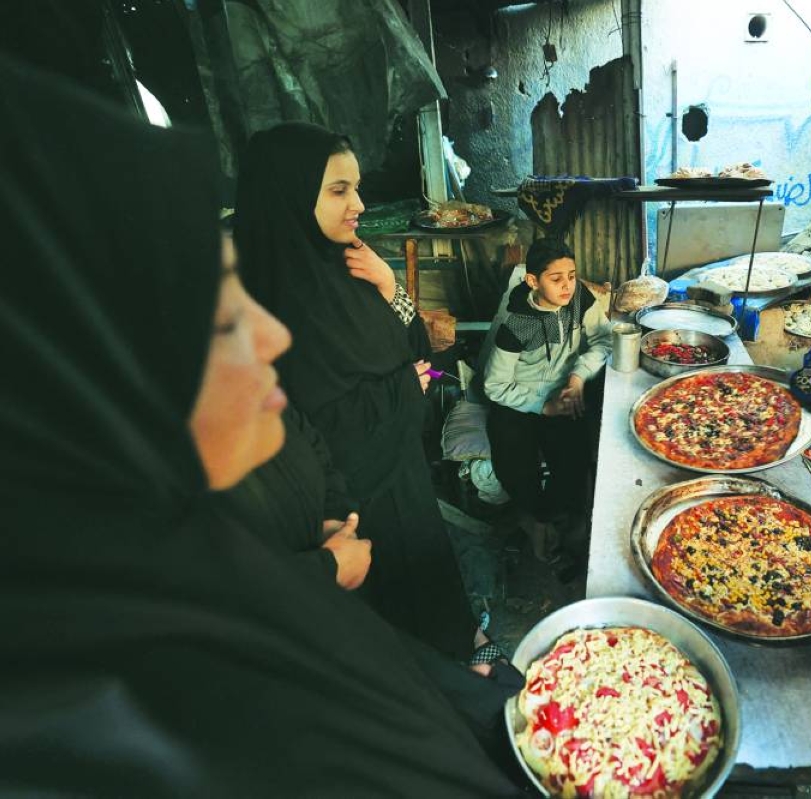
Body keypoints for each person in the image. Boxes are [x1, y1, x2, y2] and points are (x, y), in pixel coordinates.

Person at [0, 54, 522, 795]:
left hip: (379, 502)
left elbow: (381, 388)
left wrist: (394, 303)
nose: (266, 341)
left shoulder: (206, 575)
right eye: (221, 322)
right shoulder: (144, 707)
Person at [233, 122, 481, 661]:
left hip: (402, 475)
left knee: (433, 595)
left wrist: (391, 286)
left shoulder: (349, 264)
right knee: (397, 627)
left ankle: (463, 651)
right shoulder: (269, 306)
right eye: (339, 190)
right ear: (291, 196)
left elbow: (417, 346)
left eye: (357, 187)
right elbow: (312, 431)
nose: (360, 205)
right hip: (353, 508)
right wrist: (400, 390)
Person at [482, 237, 612, 562]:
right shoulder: (518, 325)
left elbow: (604, 339)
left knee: (574, 457)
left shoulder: (580, 299)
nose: (567, 286)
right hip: (518, 400)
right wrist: (542, 406)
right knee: (514, 463)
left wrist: (578, 375)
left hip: (563, 391)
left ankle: (561, 520)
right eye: (556, 279)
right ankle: (534, 522)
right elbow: (495, 385)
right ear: (533, 281)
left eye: (571, 275)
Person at [206, 401, 373, 591]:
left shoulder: (246, 388)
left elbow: (312, 442)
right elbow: (212, 595)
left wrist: (332, 514)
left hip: (339, 552)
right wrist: (327, 567)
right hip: (305, 602)